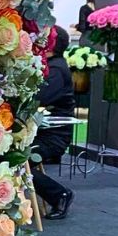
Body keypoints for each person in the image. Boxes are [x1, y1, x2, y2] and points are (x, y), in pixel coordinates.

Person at [32, 26, 75, 219]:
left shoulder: (57, 69)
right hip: (41, 132)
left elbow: (38, 98)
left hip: (53, 136)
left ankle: (59, 194)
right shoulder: (52, 65)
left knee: (15, 158)